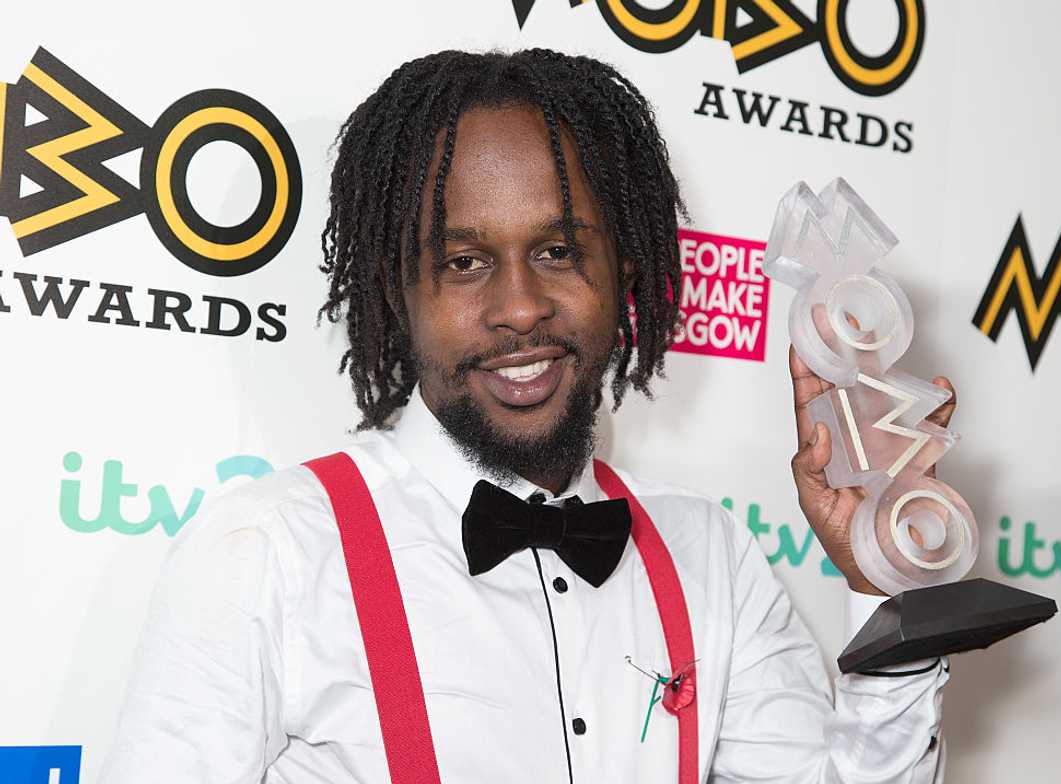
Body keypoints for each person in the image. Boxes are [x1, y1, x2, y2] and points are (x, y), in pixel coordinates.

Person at [101, 48, 956, 783]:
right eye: (465, 261)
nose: (520, 307)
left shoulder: (710, 556)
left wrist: (885, 579)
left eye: (557, 251)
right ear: (398, 295)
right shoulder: (267, 553)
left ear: (624, 273)